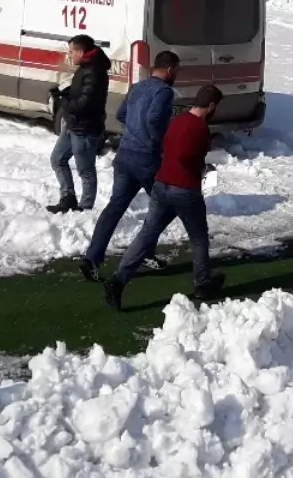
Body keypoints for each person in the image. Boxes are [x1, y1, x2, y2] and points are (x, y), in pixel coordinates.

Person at [102, 85, 226, 309]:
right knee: (198, 237)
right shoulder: (200, 128)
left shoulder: (176, 120)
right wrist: (203, 168)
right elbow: (191, 159)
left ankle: (118, 280)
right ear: (211, 106)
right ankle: (202, 283)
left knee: (147, 234)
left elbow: (167, 147)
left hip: (161, 184)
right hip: (186, 189)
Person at [79, 51, 180, 280]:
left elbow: (122, 114)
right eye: (177, 71)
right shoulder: (164, 92)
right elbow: (155, 120)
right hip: (147, 158)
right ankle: (143, 251)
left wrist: (136, 128)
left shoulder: (137, 87)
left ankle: (92, 257)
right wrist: (160, 142)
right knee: (164, 205)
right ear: (170, 69)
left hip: (124, 155)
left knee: (115, 206)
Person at [47, 34, 109, 214]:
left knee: (86, 170)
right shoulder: (86, 67)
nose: (70, 55)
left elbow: (84, 104)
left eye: (72, 51)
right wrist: (65, 94)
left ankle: (85, 208)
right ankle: (68, 197)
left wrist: (62, 101)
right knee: (57, 160)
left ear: (81, 52)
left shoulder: (94, 71)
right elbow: (80, 95)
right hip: (72, 124)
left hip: (85, 129)